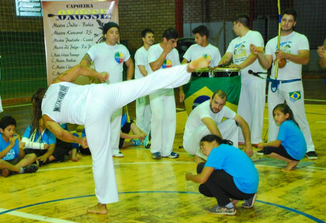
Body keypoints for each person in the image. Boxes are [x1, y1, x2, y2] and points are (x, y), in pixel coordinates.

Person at [36, 57, 211, 214]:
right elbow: (79, 69)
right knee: (145, 84)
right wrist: (99, 75)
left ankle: (102, 205)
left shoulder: (46, 115)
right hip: (102, 92)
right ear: (44, 92)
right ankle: (186, 68)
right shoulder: (55, 84)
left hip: (92, 112)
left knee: (100, 158)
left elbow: (59, 133)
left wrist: (78, 140)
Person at [251, 8, 317, 159]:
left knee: (299, 115)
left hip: (293, 83)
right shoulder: (272, 42)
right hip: (275, 84)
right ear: (281, 22)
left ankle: (309, 147)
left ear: (294, 23)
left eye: (289, 20)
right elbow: (267, 65)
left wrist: (286, 54)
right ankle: (271, 146)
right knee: (275, 116)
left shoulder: (300, 38)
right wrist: (259, 54)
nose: (286, 23)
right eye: (284, 20)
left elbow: (305, 59)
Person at [80, 22, 134, 158]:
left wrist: (128, 82)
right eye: (111, 32)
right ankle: (99, 149)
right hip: (101, 91)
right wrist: (96, 75)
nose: (114, 35)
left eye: (116, 32)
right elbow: (83, 63)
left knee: (116, 120)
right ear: (105, 34)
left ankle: (114, 148)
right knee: (101, 120)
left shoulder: (122, 49)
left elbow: (130, 64)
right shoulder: (96, 48)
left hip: (117, 91)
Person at [219, 13, 267, 146]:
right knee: (242, 110)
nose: (233, 28)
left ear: (238, 23)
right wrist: (222, 61)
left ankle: (256, 139)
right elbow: (228, 55)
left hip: (255, 78)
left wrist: (239, 66)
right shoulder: (234, 42)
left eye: (234, 25)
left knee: (256, 109)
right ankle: (242, 137)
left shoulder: (255, 35)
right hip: (241, 79)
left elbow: (254, 55)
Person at [185, 134, 259, 216]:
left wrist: (190, 176)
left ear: (214, 142)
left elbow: (202, 179)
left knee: (201, 168)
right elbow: (236, 172)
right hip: (249, 189)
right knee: (204, 188)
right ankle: (248, 197)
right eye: (201, 149)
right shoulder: (227, 149)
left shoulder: (217, 150)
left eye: (203, 145)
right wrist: (236, 197)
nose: (202, 150)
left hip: (243, 188)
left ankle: (226, 206)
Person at [183, 90, 253, 162]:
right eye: (215, 102)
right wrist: (222, 150)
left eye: (221, 104)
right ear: (211, 99)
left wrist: (248, 145)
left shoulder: (223, 109)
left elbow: (243, 123)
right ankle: (200, 156)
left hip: (206, 139)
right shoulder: (203, 108)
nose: (217, 107)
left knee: (233, 122)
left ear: (224, 104)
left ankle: (231, 152)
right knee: (209, 127)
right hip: (191, 144)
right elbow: (213, 129)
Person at [148, 27, 180, 159]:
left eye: (176, 42)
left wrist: (181, 90)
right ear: (165, 40)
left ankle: (167, 150)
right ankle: (156, 149)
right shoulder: (153, 49)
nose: (175, 45)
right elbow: (154, 67)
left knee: (170, 118)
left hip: (169, 89)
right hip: (155, 88)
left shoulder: (175, 52)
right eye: (172, 42)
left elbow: (178, 71)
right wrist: (165, 53)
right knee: (158, 117)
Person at [257, 104, 306, 171]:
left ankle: (291, 161)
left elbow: (277, 144)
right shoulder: (290, 122)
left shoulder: (284, 125)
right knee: (271, 146)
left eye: (278, 115)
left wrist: (264, 144)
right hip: (300, 153)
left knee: (266, 149)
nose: (276, 117)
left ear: (286, 115)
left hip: (295, 153)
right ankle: (294, 160)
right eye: (274, 115)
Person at [179, 25, 222, 102]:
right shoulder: (192, 48)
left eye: (197, 38)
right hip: (194, 82)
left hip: (209, 83)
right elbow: (183, 63)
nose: (195, 40)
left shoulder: (214, 50)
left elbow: (217, 69)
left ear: (204, 37)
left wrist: (211, 69)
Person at [134, 28, 155, 134]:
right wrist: (154, 79)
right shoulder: (140, 52)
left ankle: (147, 132)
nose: (151, 39)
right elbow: (142, 70)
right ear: (143, 39)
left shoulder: (154, 51)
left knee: (149, 109)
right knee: (141, 109)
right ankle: (140, 133)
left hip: (150, 84)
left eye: (152, 37)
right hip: (141, 85)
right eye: (149, 37)